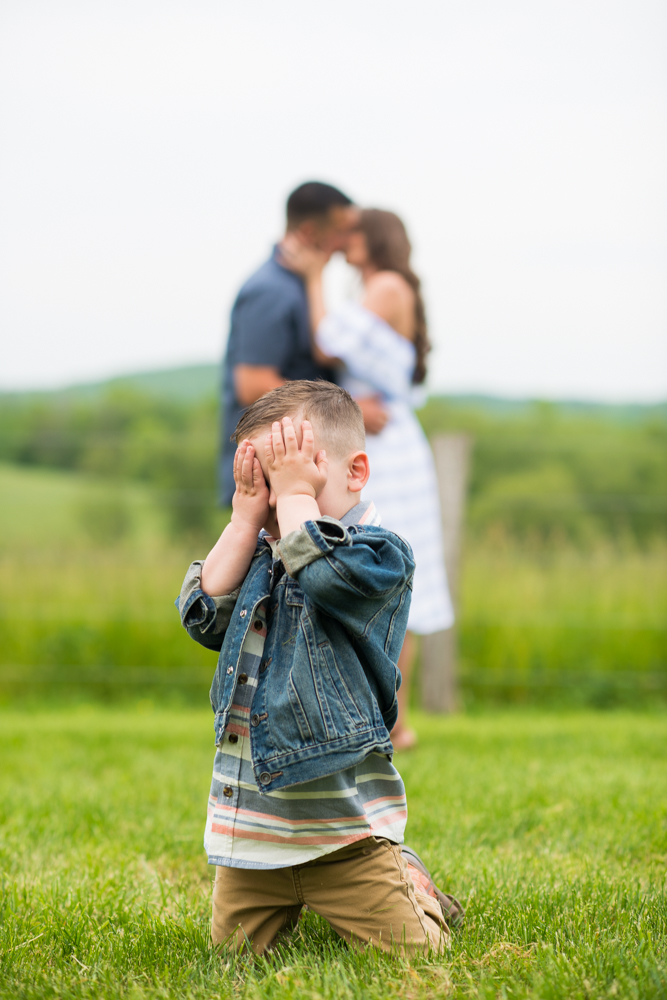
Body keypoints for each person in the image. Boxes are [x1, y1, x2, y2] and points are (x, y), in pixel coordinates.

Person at [178, 380, 463, 955]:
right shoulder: (262, 546)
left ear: (355, 473)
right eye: (266, 481)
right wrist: (242, 518)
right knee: (232, 960)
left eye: (297, 479)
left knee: (415, 954)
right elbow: (204, 617)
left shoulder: (381, 555)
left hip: (345, 835)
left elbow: (327, 575)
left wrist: (295, 499)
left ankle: (410, 882)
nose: (278, 505)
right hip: (253, 837)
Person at [281, 210, 454, 751]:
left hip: (385, 448)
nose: (343, 243)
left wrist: (313, 277)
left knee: (389, 569)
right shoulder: (387, 287)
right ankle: (385, 718)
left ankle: (392, 720)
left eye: (352, 235)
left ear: (373, 239)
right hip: (369, 433)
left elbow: (330, 340)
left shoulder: (386, 285)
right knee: (375, 565)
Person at [220, 181, 389, 505]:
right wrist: (350, 411)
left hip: (295, 473)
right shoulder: (270, 290)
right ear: (311, 232)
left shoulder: (299, 286)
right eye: (342, 231)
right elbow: (253, 383)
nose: (347, 243)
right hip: (273, 476)